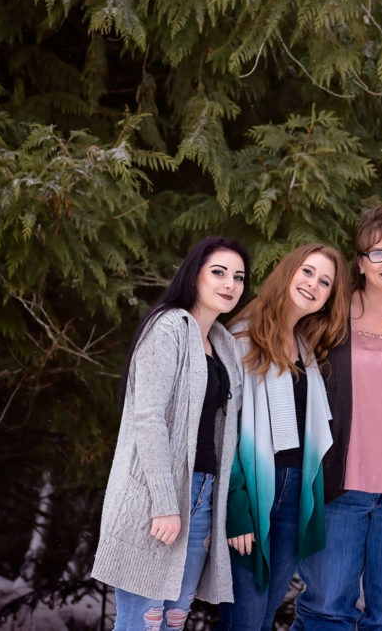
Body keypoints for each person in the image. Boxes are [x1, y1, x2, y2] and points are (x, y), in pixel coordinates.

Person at [91, 236, 251, 631]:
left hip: (203, 496)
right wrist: (165, 503)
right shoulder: (167, 328)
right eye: (218, 272)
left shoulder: (223, 344)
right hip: (157, 500)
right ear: (194, 274)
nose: (229, 283)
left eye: (239, 277)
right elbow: (148, 419)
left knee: (174, 621)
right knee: (142, 624)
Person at [292, 206, 382, 631]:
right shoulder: (331, 316)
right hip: (340, 490)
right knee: (325, 610)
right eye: (376, 253)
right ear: (359, 264)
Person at [217, 244, 350, 631]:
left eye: (324, 282)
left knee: (264, 616)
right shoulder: (242, 337)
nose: (313, 284)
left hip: (294, 497)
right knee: (244, 620)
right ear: (289, 271)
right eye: (307, 272)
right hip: (254, 491)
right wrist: (236, 508)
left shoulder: (306, 348)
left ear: (328, 298)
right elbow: (223, 431)